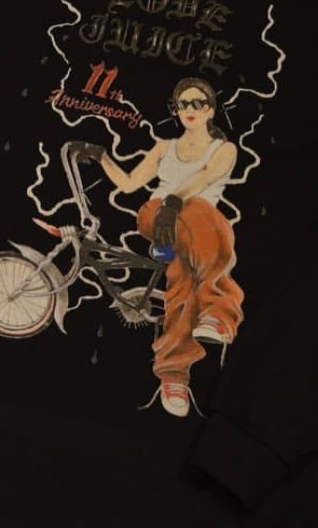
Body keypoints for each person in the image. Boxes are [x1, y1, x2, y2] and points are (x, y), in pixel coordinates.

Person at [73, 77, 243, 417]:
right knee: (204, 225)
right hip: (158, 217)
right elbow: (130, 184)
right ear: (175, 110)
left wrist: (176, 201)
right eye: (183, 104)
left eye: (198, 103)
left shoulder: (224, 149)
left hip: (198, 227)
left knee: (184, 277)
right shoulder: (165, 147)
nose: (190, 109)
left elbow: (206, 177)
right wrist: (103, 157)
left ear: (211, 110)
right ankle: (218, 312)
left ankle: (174, 374)